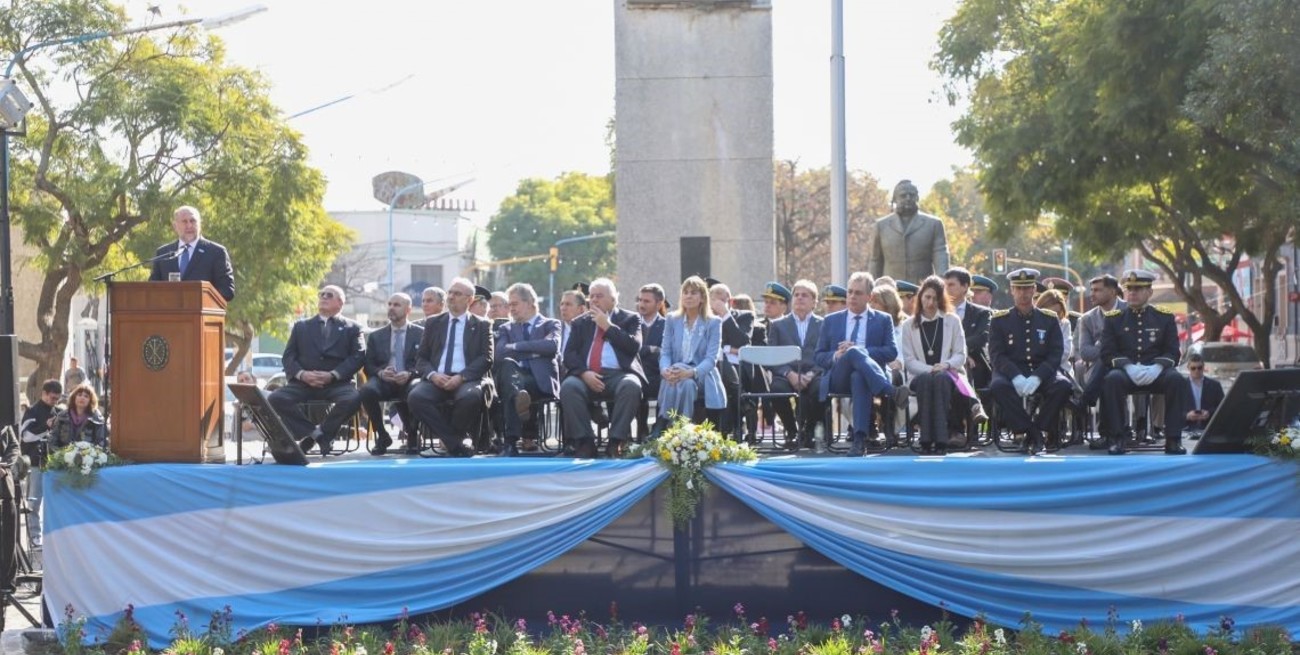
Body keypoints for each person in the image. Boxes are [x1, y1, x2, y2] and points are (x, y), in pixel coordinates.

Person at [268, 285, 366, 456]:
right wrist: (302, 374)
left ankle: (318, 436)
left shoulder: (353, 328)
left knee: (354, 398)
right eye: (321, 294)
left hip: (337, 383)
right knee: (276, 398)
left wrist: (333, 375)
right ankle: (316, 434)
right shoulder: (301, 326)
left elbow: (358, 356)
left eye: (329, 295)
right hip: (304, 383)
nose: (324, 297)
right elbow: (288, 357)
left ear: (340, 303)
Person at [1099, 270, 1188, 455]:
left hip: (1155, 372)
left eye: (1138, 289)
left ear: (1149, 292)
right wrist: (1127, 366)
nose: (1132, 293)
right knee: (1111, 380)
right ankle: (1117, 438)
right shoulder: (1114, 318)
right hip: (1127, 372)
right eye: (1129, 289)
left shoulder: (1164, 317)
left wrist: (1158, 366)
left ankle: (1173, 438)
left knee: (1176, 380)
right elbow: (1107, 352)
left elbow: (1173, 351)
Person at [814, 271, 903, 456]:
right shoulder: (831, 321)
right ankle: (889, 391)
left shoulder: (882, 319)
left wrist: (860, 349)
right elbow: (819, 356)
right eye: (850, 292)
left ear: (869, 297)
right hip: (839, 375)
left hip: (867, 376)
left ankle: (859, 440)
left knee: (858, 375)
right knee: (852, 356)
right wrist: (837, 355)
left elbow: (891, 352)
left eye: (858, 293)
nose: (852, 296)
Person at [988, 269, 1073, 454]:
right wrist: (1015, 376)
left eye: (1027, 288)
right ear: (1011, 290)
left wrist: (1038, 377)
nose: (1023, 293)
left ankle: (1039, 428)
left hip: (1041, 370)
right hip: (1011, 371)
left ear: (1034, 289)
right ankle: (1029, 432)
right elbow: (996, 354)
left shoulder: (1048, 319)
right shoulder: (999, 320)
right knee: (998, 386)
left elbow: (1055, 353)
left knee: (1063, 386)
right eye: (1018, 288)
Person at [560, 277, 645, 458]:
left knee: (632, 385)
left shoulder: (630, 318)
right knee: (568, 387)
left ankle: (615, 442)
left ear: (614, 299)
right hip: (587, 374)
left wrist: (607, 326)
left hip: (619, 374)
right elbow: (569, 354)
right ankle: (585, 442)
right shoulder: (580, 322)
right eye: (592, 296)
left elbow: (633, 346)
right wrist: (584, 373)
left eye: (599, 296)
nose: (595, 300)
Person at [409, 277, 495, 457]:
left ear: (469, 299)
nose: (451, 297)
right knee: (416, 397)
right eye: (450, 293)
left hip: (466, 379)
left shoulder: (482, 325)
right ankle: (455, 444)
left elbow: (486, 358)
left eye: (457, 294)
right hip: (436, 378)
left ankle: (451, 441)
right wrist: (433, 375)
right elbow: (421, 358)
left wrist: (461, 377)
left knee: (471, 397)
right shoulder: (433, 323)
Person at [899, 276, 972, 454]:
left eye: (934, 298)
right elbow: (909, 361)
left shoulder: (952, 321)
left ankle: (941, 440)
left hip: (948, 374)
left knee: (940, 380)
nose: (930, 302)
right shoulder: (909, 325)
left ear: (941, 299)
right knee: (926, 380)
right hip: (920, 376)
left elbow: (960, 354)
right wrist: (931, 369)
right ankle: (925, 440)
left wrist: (945, 365)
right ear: (920, 297)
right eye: (926, 297)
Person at [494, 283, 561, 456]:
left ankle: (510, 444)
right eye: (509, 305)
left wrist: (516, 346)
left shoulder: (550, 324)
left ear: (530, 302)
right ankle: (519, 400)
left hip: (540, 381)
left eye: (514, 304)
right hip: (515, 377)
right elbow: (499, 353)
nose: (511, 309)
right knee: (509, 369)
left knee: (511, 387)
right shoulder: (505, 328)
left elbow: (551, 346)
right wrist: (534, 352)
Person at [359, 293, 425, 456]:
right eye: (389, 304)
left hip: (410, 379)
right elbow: (368, 364)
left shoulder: (421, 333)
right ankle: (382, 435)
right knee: (367, 391)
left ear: (408, 309)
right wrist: (381, 372)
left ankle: (412, 435)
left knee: (417, 392)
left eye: (397, 305)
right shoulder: (376, 336)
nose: (391, 308)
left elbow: (426, 361)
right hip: (385, 380)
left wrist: (411, 373)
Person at [656, 276, 725, 426]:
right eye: (685, 292)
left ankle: (664, 423)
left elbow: (711, 359)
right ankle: (682, 426)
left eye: (693, 292)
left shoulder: (713, 322)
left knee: (682, 377)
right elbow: (665, 352)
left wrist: (690, 372)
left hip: (701, 375)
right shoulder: (672, 319)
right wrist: (665, 370)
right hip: (676, 374)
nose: (688, 296)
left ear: (702, 298)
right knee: (685, 384)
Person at [767, 280, 825, 450]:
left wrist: (812, 374)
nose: (799, 298)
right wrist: (789, 374)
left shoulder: (823, 324)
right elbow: (772, 356)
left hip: (813, 375)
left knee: (821, 388)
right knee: (776, 389)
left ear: (814, 302)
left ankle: (808, 431)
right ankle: (792, 431)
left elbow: (826, 354)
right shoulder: (778, 325)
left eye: (805, 295)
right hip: (787, 374)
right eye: (796, 295)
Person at [869, 180, 951, 283]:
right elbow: (875, 261)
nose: (908, 198)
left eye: (912, 195)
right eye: (903, 196)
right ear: (895, 199)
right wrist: (872, 288)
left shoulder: (933, 224)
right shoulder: (881, 226)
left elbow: (940, 254)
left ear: (917, 198)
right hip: (891, 290)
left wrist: (942, 283)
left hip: (922, 290)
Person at [148, 205, 235, 301]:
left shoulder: (216, 252)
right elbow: (152, 289)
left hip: (201, 314)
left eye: (193, 221)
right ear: (175, 226)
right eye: (184, 221)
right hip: (169, 314)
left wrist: (197, 300)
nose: (189, 225)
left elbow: (227, 291)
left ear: (200, 224)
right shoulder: (163, 253)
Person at [19, 380, 61, 548]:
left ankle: (51, 536)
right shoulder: (32, 412)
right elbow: (25, 437)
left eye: (57, 399)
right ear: (43, 393)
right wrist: (46, 426)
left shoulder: (57, 411)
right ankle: (34, 537)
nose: (54, 401)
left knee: (53, 502)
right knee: (34, 502)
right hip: (36, 463)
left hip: (53, 463)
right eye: (52, 398)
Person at [635, 284, 667, 440]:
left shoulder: (667, 325)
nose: (641, 304)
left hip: (658, 374)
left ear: (659, 303)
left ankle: (658, 431)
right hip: (636, 373)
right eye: (640, 300)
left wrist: (644, 350)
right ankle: (639, 432)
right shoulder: (631, 322)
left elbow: (666, 352)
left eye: (646, 301)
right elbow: (629, 349)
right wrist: (650, 349)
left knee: (668, 386)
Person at [50, 383, 108, 448]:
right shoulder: (62, 416)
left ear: (90, 400)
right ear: (74, 397)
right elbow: (53, 438)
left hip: (88, 455)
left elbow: (101, 441)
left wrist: (93, 455)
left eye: (86, 396)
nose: (82, 398)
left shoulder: (97, 418)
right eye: (79, 395)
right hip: (62, 455)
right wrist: (58, 455)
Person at [1183, 352, 1224, 432]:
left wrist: (1209, 413)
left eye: (1199, 368)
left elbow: (1222, 407)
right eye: (1193, 368)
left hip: (1209, 428)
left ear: (1203, 367)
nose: (1196, 370)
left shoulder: (1215, 385)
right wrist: (1187, 416)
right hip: (1186, 429)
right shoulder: (1181, 385)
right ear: (1188, 368)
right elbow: (1174, 410)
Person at [1035, 289, 1074, 370]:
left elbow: (1065, 351)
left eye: (1058, 313)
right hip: (1036, 368)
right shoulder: (1033, 323)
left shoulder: (1065, 324)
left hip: (1060, 368)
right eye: (1050, 313)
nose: (1054, 317)